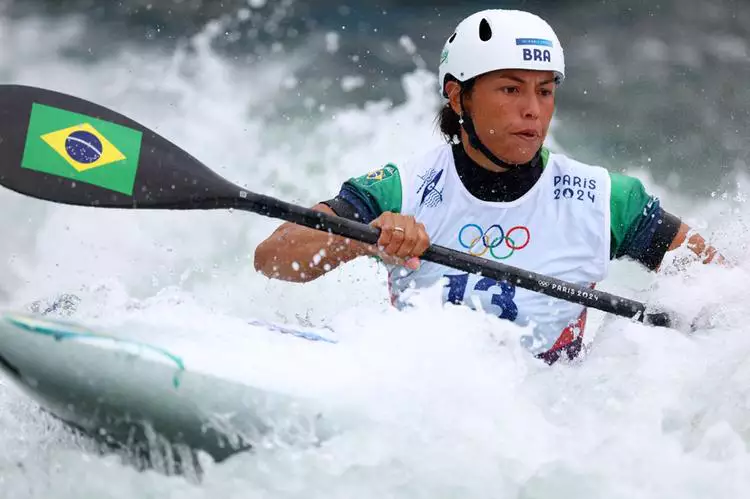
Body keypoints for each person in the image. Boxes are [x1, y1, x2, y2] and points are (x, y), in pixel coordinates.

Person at [254, 9, 724, 364]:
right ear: (459, 95)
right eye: (511, 89)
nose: (533, 110)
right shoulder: (401, 188)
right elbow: (273, 258)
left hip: (542, 424)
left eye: (544, 90)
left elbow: (725, 288)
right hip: (421, 400)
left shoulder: (606, 200)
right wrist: (366, 237)